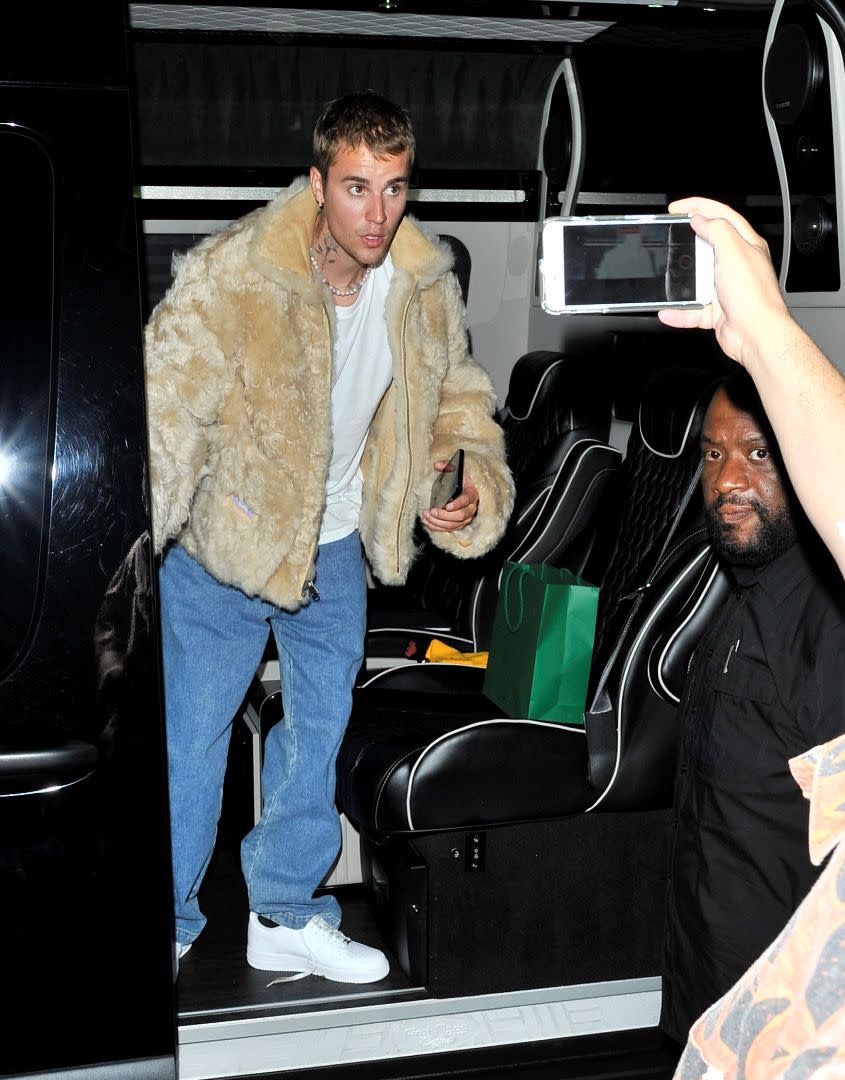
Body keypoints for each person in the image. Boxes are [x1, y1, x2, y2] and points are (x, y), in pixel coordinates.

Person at [144, 90, 515, 982]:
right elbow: (167, 415)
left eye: (393, 188)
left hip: (338, 541)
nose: (377, 212)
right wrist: (124, 561)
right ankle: (167, 917)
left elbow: (457, 398)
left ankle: (282, 912)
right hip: (222, 548)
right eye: (356, 188)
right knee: (190, 742)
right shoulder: (237, 276)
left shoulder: (419, 284)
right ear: (316, 184)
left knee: (318, 731)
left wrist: (460, 476)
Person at [657, 197, 845, 1075]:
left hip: (777, 1031)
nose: (728, 478)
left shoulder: (824, 619)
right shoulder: (730, 590)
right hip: (702, 1002)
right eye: (711, 455)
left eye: (759, 454)